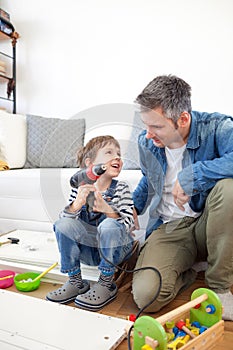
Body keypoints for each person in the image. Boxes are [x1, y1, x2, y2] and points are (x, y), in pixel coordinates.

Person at [131, 74, 233, 321]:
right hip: (170, 229)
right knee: (147, 298)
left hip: (206, 224)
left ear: (183, 119)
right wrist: (129, 206)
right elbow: (149, 179)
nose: (148, 134)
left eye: (156, 126)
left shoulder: (217, 127)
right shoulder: (147, 143)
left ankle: (220, 287)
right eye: (146, 125)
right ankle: (189, 269)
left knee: (229, 189)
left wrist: (193, 175)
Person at [46, 135, 135, 311]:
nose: (117, 157)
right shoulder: (80, 188)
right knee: (62, 223)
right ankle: (76, 282)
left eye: (118, 153)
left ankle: (106, 283)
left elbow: (128, 223)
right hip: (88, 250)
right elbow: (65, 225)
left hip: (116, 250)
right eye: (109, 152)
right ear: (90, 163)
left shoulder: (121, 188)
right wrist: (77, 204)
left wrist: (107, 209)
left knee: (109, 225)